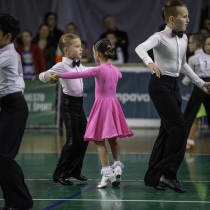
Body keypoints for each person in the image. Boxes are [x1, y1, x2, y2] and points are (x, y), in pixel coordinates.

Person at [135, 0, 210, 193]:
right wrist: (149, 63)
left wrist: (200, 83)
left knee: (167, 131)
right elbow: (140, 48)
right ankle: (167, 174)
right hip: (160, 85)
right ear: (172, 18)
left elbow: (183, 65)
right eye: (184, 16)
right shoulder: (159, 37)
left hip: (174, 85)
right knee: (180, 127)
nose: (188, 19)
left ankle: (153, 177)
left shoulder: (184, 38)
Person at [51, 38, 134, 188]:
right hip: (114, 105)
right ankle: (117, 165)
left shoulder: (98, 69)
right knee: (114, 140)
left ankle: (106, 172)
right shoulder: (115, 70)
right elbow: (120, 76)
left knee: (99, 140)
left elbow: (76, 75)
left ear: (97, 54)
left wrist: (60, 75)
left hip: (102, 106)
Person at [39, 33, 89, 185]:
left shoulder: (79, 65)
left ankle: (74, 170)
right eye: (77, 46)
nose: (81, 49)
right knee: (73, 140)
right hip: (68, 106)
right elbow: (43, 74)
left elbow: (92, 71)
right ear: (66, 50)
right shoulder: (61, 65)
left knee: (85, 138)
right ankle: (59, 174)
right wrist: (48, 77)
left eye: (81, 46)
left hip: (79, 105)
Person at [0, 14, 33, 209]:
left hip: (14, 107)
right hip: (7, 106)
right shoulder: (6, 52)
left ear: (7, 36)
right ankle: (16, 201)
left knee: (3, 156)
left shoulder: (8, 54)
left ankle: (21, 201)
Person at [183, 34, 210, 150]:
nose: (188, 45)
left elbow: (189, 77)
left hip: (200, 86)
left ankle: (182, 142)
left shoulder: (192, 58)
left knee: (189, 114)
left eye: (189, 43)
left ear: (194, 44)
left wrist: (184, 81)